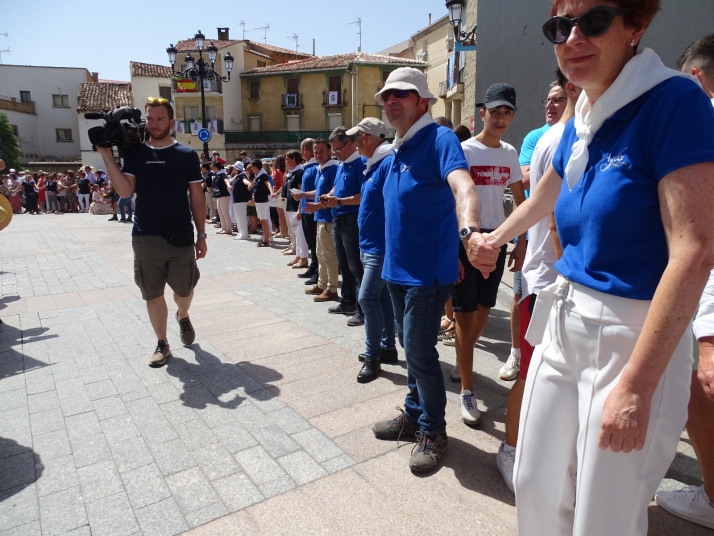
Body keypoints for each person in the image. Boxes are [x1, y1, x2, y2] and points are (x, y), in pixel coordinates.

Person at [470, 2, 714, 533]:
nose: (573, 37)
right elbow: (543, 196)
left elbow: (693, 250)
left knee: (604, 512)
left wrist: (638, 384)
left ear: (636, 26)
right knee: (534, 483)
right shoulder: (584, 115)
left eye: (594, 21)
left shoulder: (673, 101)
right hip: (562, 318)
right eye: (560, 26)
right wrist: (494, 236)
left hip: (631, 333)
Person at [369, 67, 499, 472]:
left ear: (423, 102)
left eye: (402, 94)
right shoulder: (398, 148)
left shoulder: (439, 138)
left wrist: (470, 232)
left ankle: (434, 431)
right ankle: (413, 414)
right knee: (413, 351)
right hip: (397, 270)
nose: (392, 101)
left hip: (426, 275)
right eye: (387, 96)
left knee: (421, 354)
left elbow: (463, 186)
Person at [496, 69, 579, 493]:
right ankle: (510, 450)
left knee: (557, 378)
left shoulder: (579, 133)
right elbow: (549, 210)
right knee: (532, 372)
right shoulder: (558, 139)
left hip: (558, 281)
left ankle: (546, 453)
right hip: (550, 282)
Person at [96, 97, 207, 367]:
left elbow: (197, 197)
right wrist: (107, 156)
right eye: (150, 118)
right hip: (145, 236)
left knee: (184, 289)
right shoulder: (135, 154)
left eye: (159, 119)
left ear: (171, 123)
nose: (154, 124)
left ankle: (183, 314)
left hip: (180, 234)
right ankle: (162, 343)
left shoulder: (186, 155)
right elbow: (125, 191)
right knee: (152, 292)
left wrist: (201, 234)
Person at [654, 32, 714, 529]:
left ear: (692, 79)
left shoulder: (700, 120)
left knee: (698, 389)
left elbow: (700, 242)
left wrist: (709, 333)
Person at [447, 83, 526, 427]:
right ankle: (467, 389)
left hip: (496, 240)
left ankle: (462, 356)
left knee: (482, 312)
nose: (501, 118)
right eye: (495, 111)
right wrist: (452, 247)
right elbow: (449, 201)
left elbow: (520, 201)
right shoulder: (463, 150)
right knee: (465, 317)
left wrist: (521, 242)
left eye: (507, 112)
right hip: (465, 240)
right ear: (483, 114)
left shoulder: (509, 153)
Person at [503, 80, 569, 382]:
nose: (550, 105)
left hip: (560, 256)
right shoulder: (539, 138)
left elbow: (528, 176)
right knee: (520, 297)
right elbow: (523, 181)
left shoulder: (580, 134)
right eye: (548, 99)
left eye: (558, 100)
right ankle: (515, 353)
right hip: (533, 238)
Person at [346, 118, 398, 383]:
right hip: (370, 244)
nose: (354, 143)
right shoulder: (374, 164)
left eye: (356, 138)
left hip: (380, 246)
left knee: (366, 299)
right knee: (381, 299)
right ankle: (387, 347)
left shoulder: (387, 162)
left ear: (365, 137)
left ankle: (373, 356)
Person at [321, 127, 367, 326]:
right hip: (339, 219)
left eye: (337, 149)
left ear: (350, 144)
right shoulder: (342, 164)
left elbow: (364, 196)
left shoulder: (361, 163)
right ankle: (348, 301)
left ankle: (363, 309)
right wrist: (331, 195)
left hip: (351, 220)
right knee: (345, 265)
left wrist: (338, 201)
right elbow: (337, 186)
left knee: (357, 267)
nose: (335, 154)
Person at [302, 140, 339, 302]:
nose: (318, 155)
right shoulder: (320, 168)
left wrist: (317, 205)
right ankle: (322, 283)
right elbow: (320, 190)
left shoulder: (333, 168)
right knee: (320, 253)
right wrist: (304, 195)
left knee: (328, 254)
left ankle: (331, 288)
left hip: (328, 218)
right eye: (315, 152)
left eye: (321, 151)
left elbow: (334, 190)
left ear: (330, 151)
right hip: (320, 218)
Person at [295, 139, 320, 284]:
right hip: (305, 209)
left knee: (316, 242)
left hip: (312, 209)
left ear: (305, 149)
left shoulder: (315, 167)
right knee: (311, 241)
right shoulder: (308, 167)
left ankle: (317, 270)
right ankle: (313, 266)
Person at [283, 150, 308, 269]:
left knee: (300, 232)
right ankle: (298, 256)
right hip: (290, 206)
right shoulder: (291, 172)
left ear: (293, 159)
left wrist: (299, 208)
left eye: (287, 159)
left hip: (296, 206)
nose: (286, 162)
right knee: (296, 233)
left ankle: (303, 257)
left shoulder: (299, 172)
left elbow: (300, 191)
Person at [248, 160, 272, 247]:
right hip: (258, 201)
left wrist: (271, 192)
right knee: (262, 220)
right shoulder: (257, 175)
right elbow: (251, 186)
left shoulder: (263, 175)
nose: (251, 169)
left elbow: (268, 184)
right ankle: (265, 239)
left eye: (252, 167)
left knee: (263, 220)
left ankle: (266, 240)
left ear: (255, 167)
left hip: (263, 201)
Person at [229, 162, 252, 240]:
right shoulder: (238, 175)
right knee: (238, 217)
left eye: (234, 168)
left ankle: (244, 234)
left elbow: (245, 181)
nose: (233, 169)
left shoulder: (242, 175)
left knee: (242, 217)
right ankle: (241, 232)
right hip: (237, 200)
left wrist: (249, 184)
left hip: (241, 199)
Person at [211, 161, 231, 235]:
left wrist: (228, 185)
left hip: (224, 195)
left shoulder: (222, 174)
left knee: (225, 212)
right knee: (220, 212)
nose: (211, 167)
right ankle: (223, 228)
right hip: (219, 196)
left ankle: (228, 228)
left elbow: (226, 180)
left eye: (212, 166)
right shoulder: (216, 174)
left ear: (215, 167)